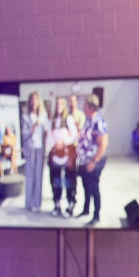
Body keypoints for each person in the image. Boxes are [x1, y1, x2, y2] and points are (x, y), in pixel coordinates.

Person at [77, 95, 108, 223]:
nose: (83, 108)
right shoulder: (87, 120)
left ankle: (96, 215)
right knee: (86, 186)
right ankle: (86, 209)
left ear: (91, 107)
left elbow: (104, 143)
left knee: (94, 187)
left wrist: (94, 161)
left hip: (94, 161)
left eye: (85, 106)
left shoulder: (98, 121)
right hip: (84, 160)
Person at [47, 100, 76, 218]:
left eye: (61, 104)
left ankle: (70, 206)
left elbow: (74, 135)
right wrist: (55, 144)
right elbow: (48, 136)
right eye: (57, 104)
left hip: (67, 156)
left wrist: (63, 142)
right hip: (55, 156)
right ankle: (57, 205)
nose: (59, 106)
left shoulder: (68, 119)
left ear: (64, 106)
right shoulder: (52, 120)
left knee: (69, 181)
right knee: (56, 181)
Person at [21, 91, 48, 213]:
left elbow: (46, 133)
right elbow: (24, 135)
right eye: (31, 100)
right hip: (30, 149)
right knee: (30, 177)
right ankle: (29, 203)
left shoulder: (43, 116)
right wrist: (32, 128)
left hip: (39, 149)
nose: (33, 102)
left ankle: (37, 204)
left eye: (35, 100)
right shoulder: (25, 117)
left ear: (39, 102)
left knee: (38, 177)